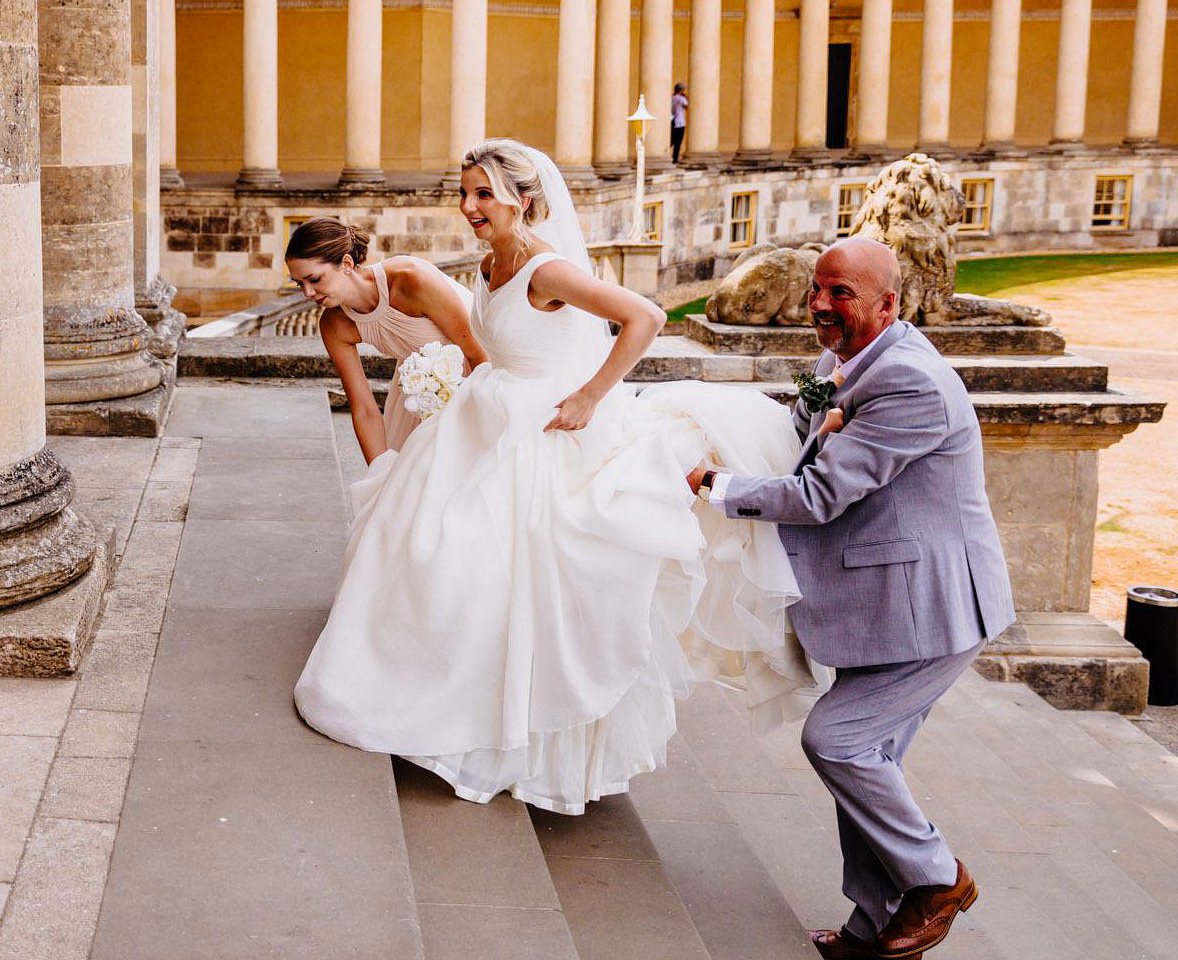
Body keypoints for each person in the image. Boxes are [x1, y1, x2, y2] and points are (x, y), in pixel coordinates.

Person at [294, 138, 822, 813]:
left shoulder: (545, 268)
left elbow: (645, 316)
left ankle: (523, 734)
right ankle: (430, 683)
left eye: (484, 193)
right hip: (484, 416)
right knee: (439, 552)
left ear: (524, 198)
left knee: (515, 571)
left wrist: (590, 395)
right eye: (465, 193)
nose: (469, 206)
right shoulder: (489, 265)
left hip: (536, 430)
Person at [688, 238, 1013, 960]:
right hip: (890, 600)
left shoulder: (908, 382)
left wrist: (718, 483)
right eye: (819, 289)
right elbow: (808, 446)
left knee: (837, 741)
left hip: (935, 608)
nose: (822, 304)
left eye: (843, 293)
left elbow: (818, 494)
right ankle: (876, 930)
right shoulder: (850, 362)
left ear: (889, 304)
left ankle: (937, 878)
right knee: (872, 760)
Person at [283, 216, 485, 463]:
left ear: (346, 263)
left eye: (314, 280)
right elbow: (364, 409)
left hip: (479, 379)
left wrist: (481, 422)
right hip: (419, 392)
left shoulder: (411, 280)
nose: (308, 293)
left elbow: (477, 353)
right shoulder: (334, 324)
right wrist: (378, 476)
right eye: (299, 284)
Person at [670, 83, 688, 162]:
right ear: (681, 90)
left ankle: (671, 156)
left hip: (673, 121)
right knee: (678, 142)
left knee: (673, 140)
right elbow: (687, 106)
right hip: (680, 122)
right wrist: (685, 97)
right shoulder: (681, 98)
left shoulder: (673, 98)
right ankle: (675, 159)